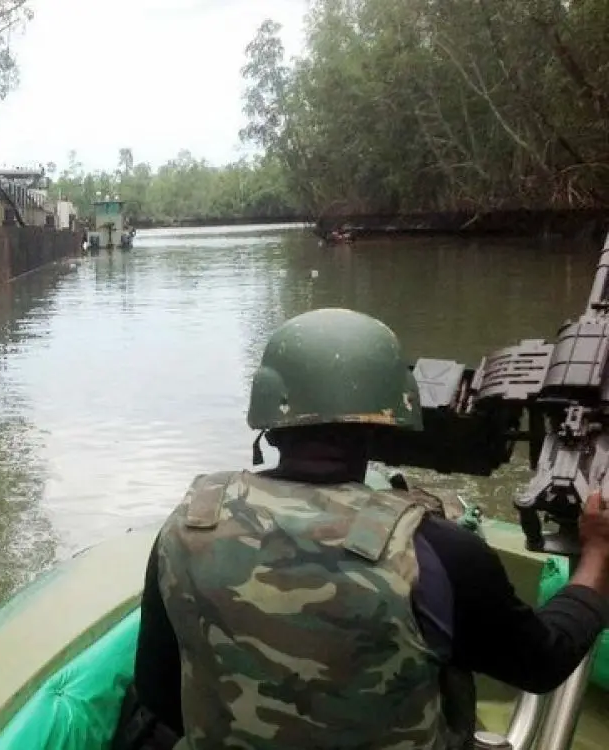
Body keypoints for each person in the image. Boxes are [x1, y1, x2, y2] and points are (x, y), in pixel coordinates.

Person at [112, 307, 609, 750]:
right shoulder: (436, 552)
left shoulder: (191, 523)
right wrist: (595, 554)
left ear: (269, 416)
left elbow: (158, 692)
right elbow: (543, 662)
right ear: (383, 423)